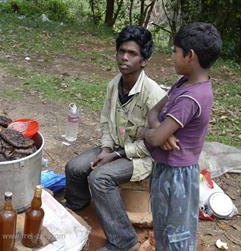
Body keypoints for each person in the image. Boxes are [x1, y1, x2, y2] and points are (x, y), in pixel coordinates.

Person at [64, 26, 166, 251]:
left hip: (142, 156)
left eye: (132, 53)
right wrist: (106, 148)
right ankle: (78, 206)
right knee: (74, 168)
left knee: (99, 178)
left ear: (144, 61)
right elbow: (105, 121)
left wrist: (116, 155)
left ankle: (124, 241)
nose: (124, 57)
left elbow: (155, 143)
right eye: (121, 51)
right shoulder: (114, 85)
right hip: (116, 147)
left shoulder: (154, 95)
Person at [142, 22, 222, 251]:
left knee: (178, 237)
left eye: (175, 52)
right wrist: (159, 131)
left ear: (190, 56)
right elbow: (153, 111)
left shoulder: (191, 98)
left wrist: (148, 133)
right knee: (163, 228)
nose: (173, 57)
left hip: (178, 178)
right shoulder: (185, 84)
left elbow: (155, 138)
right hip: (166, 169)